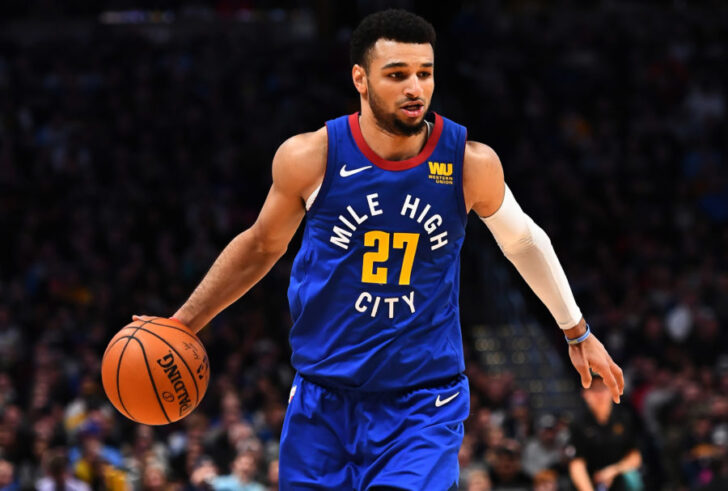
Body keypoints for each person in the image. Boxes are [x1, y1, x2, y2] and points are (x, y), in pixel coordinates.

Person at [136, 9, 624, 490]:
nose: (415, 87)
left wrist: (577, 331)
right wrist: (181, 324)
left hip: (421, 406)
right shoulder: (312, 157)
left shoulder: (470, 163)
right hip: (321, 404)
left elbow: (523, 240)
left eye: (424, 74)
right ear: (361, 79)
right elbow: (261, 245)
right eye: (397, 74)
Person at [567, 375, 642, 491]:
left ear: (612, 391)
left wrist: (613, 470)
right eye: (594, 389)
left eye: (603, 388)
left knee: (633, 477)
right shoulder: (578, 423)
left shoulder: (623, 418)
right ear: (585, 394)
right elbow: (577, 465)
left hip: (618, 477)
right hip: (590, 481)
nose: (599, 394)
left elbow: (635, 457)